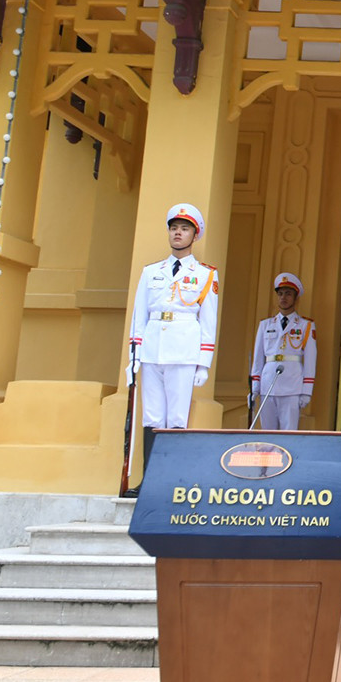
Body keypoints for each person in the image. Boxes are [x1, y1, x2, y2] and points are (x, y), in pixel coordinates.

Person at [127, 203, 220, 482]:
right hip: (153, 349)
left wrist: (203, 363)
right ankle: (149, 480)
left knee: (177, 418)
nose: (178, 233)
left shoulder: (206, 275)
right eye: (174, 228)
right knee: (152, 417)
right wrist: (134, 355)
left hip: (183, 351)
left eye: (184, 229)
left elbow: (208, 321)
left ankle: (170, 481)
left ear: (195, 235)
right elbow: (139, 315)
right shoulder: (151, 271)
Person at [248, 272, 316, 431]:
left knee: (289, 431)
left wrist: (307, 391)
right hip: (268, 383)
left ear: (295, 298)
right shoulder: (265, 325)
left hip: (292, 385)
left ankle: (286, 457)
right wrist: (254, 388)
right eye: (280, 294)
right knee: (267, 431)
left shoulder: (305, 326)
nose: (283, 297)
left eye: (288, 294)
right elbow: (258, 359)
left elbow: (311, 360)